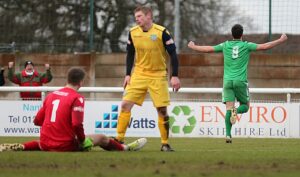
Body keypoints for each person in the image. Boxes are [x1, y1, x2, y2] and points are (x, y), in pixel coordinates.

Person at [0, 67, 147, 152]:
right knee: (101, 137)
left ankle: (22, 146)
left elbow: (37, 121)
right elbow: (77, 124)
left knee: (42, 143)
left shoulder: (51, 95)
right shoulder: (77, 97)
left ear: (67, 79)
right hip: (65, 145)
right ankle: (126, 149)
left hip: (46, 143)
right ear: (81, 82)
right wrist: (82, 141)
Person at [188, 24, 288, 143]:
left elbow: (208, 49)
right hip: (240, 81)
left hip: (227, 82)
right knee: (245, 106)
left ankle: (228, 135)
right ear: (242, 34)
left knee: (228, 109)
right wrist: (281, 40)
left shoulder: (225, 45)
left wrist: (193, 46)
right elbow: (265, 46)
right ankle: (237, 111)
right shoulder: (246, 45)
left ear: (232, 34)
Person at [115, 6, 181, 152]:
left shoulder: (162, 32)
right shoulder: (133, 33)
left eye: (139, 16)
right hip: (139, 74)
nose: (136, 19)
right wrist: (127, 74)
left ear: (149, 15)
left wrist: (174, 75)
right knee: (125, 105)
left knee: (162, 110)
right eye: (136, 16)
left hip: (158, 75)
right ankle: (118, 140)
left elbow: (173, 55)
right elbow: (130, 54)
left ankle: (165, 144)